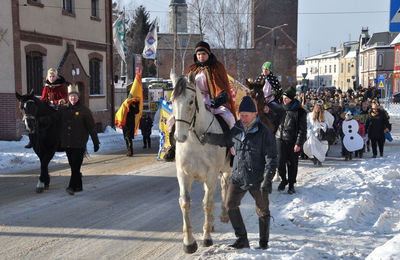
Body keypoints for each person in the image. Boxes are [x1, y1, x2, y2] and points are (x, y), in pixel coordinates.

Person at [164, 41, 236, 161]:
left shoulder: (217, 67)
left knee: (229, 118)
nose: (201, 56)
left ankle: (232, 149)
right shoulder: (192, 69)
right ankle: (173, 147)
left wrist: (220, 97)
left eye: (203, 54)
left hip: (211, 100)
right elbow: (185, 87)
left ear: (208, 54)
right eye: (198, 54)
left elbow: (222, 85)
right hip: (193, 101)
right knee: (172, 119)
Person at [226, 96, 277, 249]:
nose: (244, 118)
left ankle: (263, 242)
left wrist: (267, 179)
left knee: (262, 210)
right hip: (238, 176)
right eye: (241, 115)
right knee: (230, 205)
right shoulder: (236, 128)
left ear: (255, 114)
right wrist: (208, 137)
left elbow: (271, 158)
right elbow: (225, 140)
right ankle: (242, 239)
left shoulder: (264, 132)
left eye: (246, 115)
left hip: (258, 178)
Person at [59, 84, 100, 195]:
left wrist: (96, 142)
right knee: (73, 166)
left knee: (76, 165)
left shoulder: (84, 110)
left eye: (75, 96)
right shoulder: (63, 110)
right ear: (68, 97)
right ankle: (79, 186)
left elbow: (91, 127)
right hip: (68, 143)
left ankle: (71, 187)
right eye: (71, 96)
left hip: (79, 143)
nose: (73, 98)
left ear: (78, 97)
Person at [275, 86, 307, 194]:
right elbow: (274, 123)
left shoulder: (300, 111)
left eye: (287, 98)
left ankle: (291, 185)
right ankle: (284, 180)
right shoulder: (280, 109)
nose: (284, 99)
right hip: (279, 139)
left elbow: (302, 130)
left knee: (292, 164)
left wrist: (298, 143)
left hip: (292, 141)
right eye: (284, 97)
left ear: (292, 98)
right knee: (280, 162)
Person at [25, 68, 68, 149]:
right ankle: (32, 140)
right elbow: (43, 98)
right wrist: (41, 103)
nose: (52, 78)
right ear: (47, 77)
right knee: (35, 119)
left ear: (56, 77)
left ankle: (63, 138)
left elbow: (65, 96)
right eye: (50, 76)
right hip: (47, 107)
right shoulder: (46, 87)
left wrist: (61, 100)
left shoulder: (61, 86)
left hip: (58, 107)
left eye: (53, 76)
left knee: (61, 120)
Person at [303, 99, 334, 166]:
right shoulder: (310, 115)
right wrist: (308, 131)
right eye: (316, 108)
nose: (317, 109)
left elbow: (328, 123)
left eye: (319, 108)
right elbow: (308, 124)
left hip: (320, 133)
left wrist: (322, 125)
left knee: (320, 147)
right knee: (311, 147)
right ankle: (314, 158)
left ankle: (319, 160)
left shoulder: (324, 115)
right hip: (312, 133)